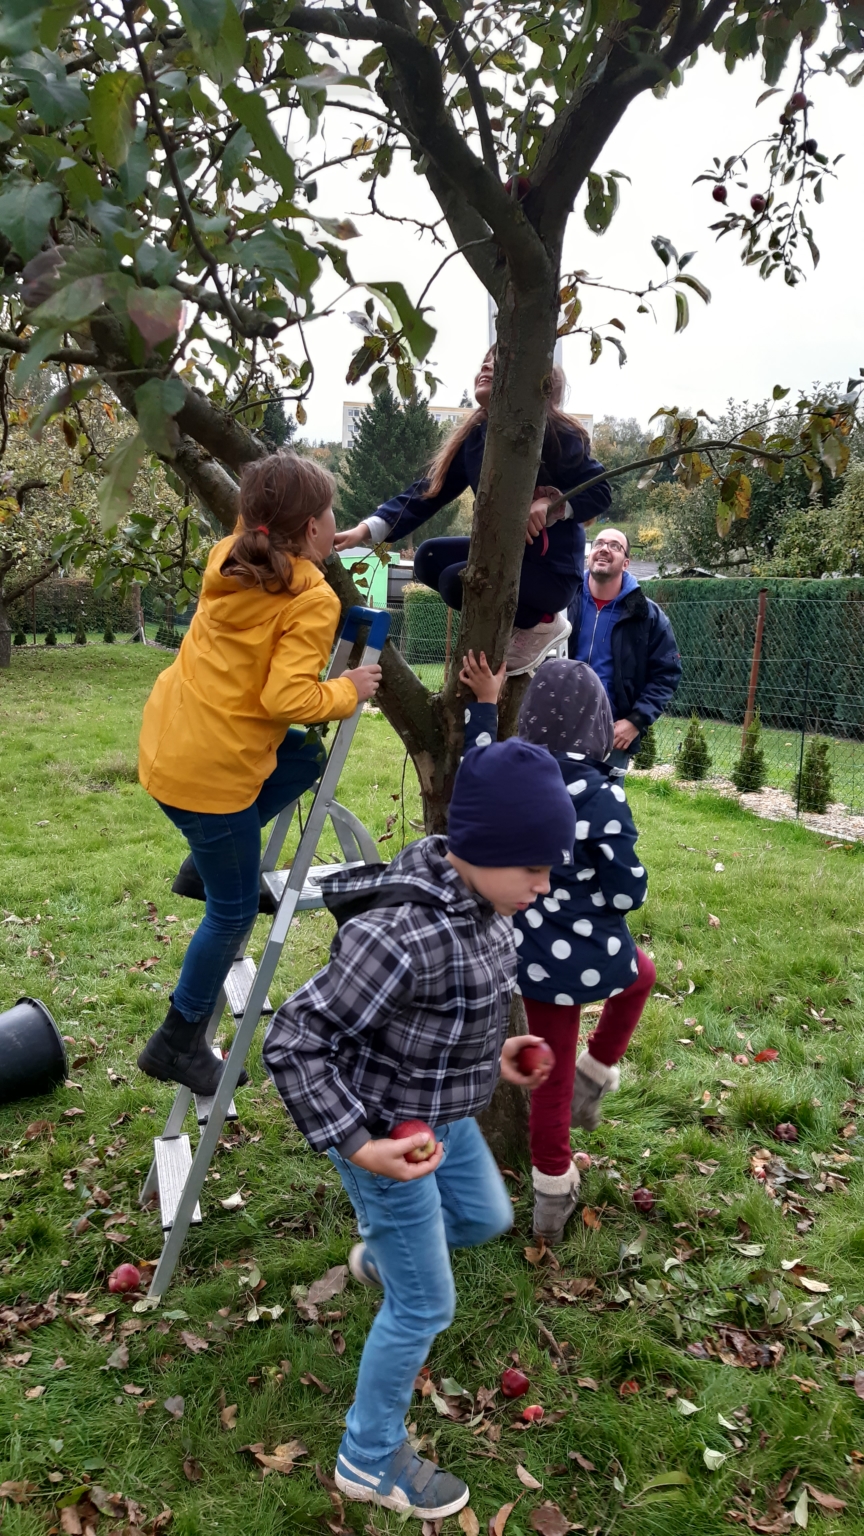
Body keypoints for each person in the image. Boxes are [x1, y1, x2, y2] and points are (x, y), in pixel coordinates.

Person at [262, 739, 577, 1520]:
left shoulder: (493, 911)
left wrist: (496, 1052)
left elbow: (447, 1019)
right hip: (387, 1142)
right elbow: (294, 1039)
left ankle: (379, 1263)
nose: (545, 884)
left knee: (485, 1214)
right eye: (533, 866)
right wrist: (362, 1145)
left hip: (444, 1119)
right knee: (426, 1306)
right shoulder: (401, 936)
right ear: (483, 848)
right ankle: (368, 1458)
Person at [136, 451, 382, 1098]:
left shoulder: (229, 557)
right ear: (310, 529)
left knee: (303, 756)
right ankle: (178, 1038)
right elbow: (286, 700)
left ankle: (202, 864)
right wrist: (348, 690)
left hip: (168, 745)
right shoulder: (312, 597)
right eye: (330, 514)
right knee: (234, 909)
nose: (337, 524)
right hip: (211, 776)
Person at [460, 650, 655, 1244]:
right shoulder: (603, 794)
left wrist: (486, 705)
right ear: (599, 725)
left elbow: (475, 762)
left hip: (523, 949)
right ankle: (554, 1182)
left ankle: (585, 1093)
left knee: (550, 1071)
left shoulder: (509, 771)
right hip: (582, 948)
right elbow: (626, 894)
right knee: (637, 980)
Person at [334, 349, 612, 676]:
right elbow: (426, 493)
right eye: (485, 360)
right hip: (504, 553)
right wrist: (365, 531)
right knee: (428, 558)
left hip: (550, 572)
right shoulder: (476, 438)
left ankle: (541, 623)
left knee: (456, 582)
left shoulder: (554, 433)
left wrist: (551, 505)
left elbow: (601, 489)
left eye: (500, 359)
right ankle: (507, 624)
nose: (486, 365)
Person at [567, 527, 682, 772]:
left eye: (615, 546)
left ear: (626, 563)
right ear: (589, 555)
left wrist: (635, 722)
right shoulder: (563, 600)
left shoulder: (646, 615)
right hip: (558, 724)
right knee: (549, 807)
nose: (604, 549)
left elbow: (667, 673)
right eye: (599, 543)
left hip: (611, 733)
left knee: (601, 808)